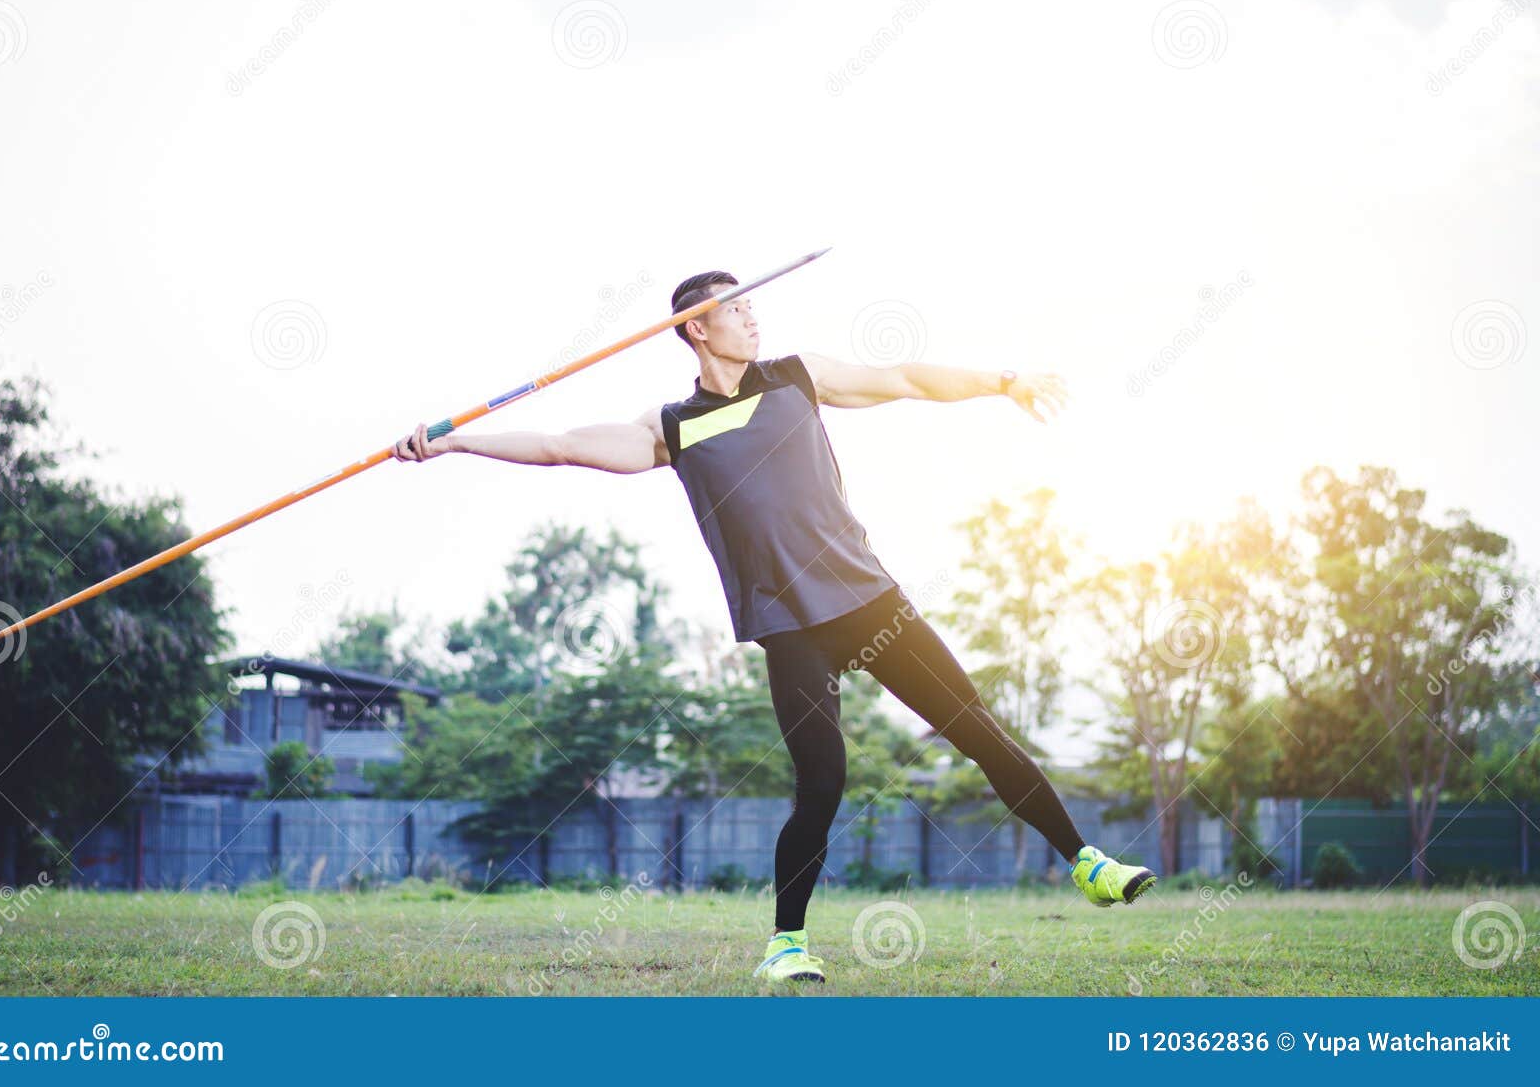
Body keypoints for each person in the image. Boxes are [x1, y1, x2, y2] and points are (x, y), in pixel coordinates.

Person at [391, 268, 1156, 984]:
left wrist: (1003, 381)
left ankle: (1088, 863)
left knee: (977, 727)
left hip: (869, 600)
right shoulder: (673, 428)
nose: (753, 314)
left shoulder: (799, 376)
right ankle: (785, 944)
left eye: (754, 303)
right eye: (736, 306)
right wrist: (455, 439)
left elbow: (905, 380)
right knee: (822, 780)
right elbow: (560, 448)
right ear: (696, 328)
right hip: (791, 626)